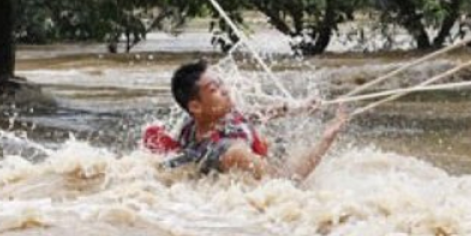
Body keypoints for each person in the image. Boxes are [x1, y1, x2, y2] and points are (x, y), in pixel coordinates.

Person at [147, 60, 347, 181]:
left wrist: (295, 107)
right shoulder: (233, 151)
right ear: (195, 106)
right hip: (250, 167)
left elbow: (250, 115)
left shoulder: (196, 123)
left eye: (221, 84)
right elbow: (286, 181)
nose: (225, 90)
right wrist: (325, 141)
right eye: (214, 90)